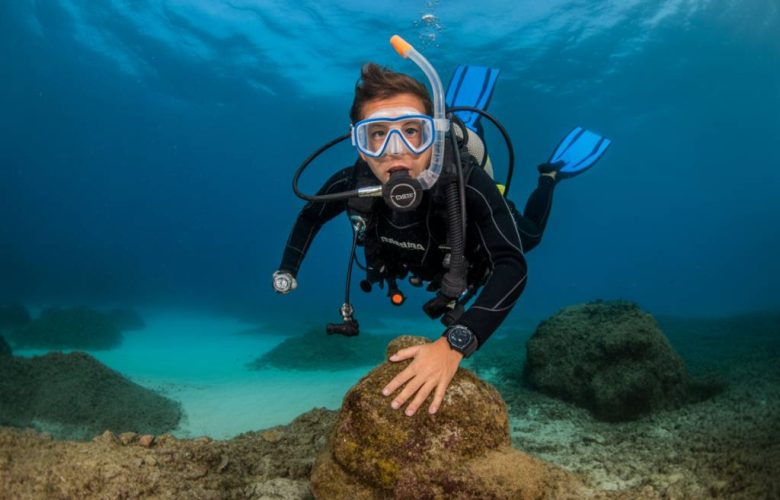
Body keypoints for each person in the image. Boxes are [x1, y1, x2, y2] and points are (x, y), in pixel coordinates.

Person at [273, 62, 609, 417]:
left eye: (411, 131)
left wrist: (455, 344)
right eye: (377, 134)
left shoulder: (466, 182)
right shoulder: (353, 183)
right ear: (359, 142)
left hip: (468, 231)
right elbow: (311, 214)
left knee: (531, 237)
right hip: (429, 263)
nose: (395, 150)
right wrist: (287, 268)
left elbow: (512, 267)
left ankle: (550, 175)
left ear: (432, 133)